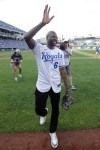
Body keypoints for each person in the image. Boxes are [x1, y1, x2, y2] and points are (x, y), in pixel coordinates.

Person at [24, 4, 69, 149]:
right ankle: (43, 113)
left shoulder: (60, 53)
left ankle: (53, 131)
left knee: (56, 110)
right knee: (38, 109)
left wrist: (68, 88)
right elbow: (26, 37)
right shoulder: (39, 49)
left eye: (56, 36)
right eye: (52, 36)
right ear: (46, 38)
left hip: (56, 86)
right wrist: (42, 23)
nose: (54, 38)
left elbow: (63, 71)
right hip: (42, 86)